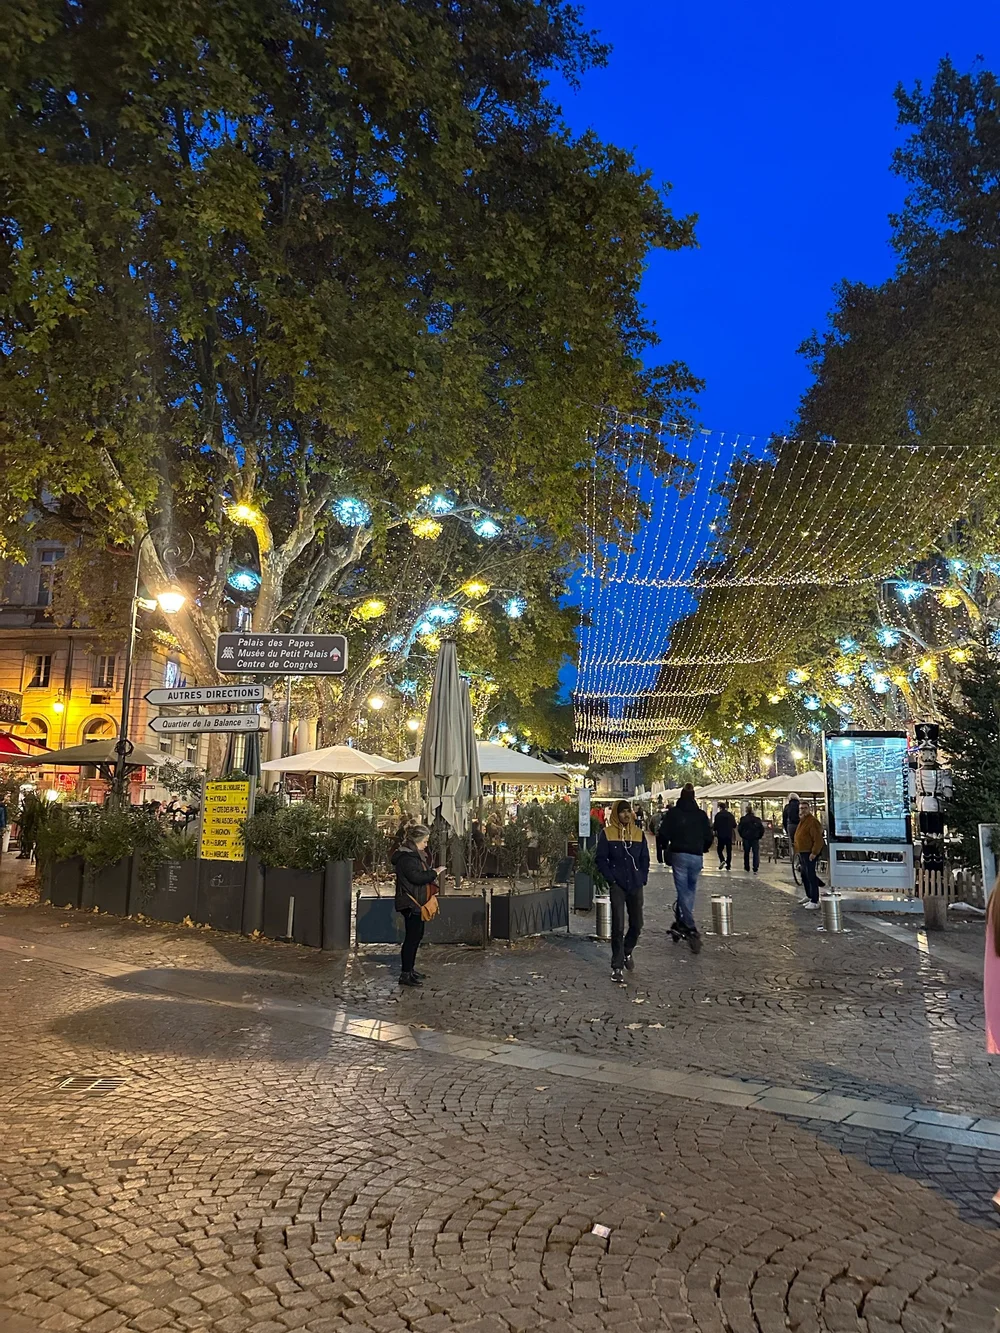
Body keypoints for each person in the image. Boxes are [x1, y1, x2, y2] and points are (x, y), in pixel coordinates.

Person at [595, 800, 649, 985]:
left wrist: (642, 877)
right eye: (623, 812)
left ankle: (627, 950)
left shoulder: (638, 834)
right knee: (617, 925)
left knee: (637, 923)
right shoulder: (607, 834)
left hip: (635, 884)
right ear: (616, 814)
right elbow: (601, 859)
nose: (626, 815)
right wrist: (611, 879)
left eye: (629, 811)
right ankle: (616, 966)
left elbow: (644, 859)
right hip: (618, 885)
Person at [660, 784, 713, 952]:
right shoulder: (701, 815)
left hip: (679, 854)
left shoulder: (674, 813)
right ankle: (682, 921)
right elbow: (709, 836)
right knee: (690, 890)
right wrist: (703, 847)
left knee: (683, 891)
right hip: (696, 856)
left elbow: (663, 833)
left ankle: (690, 925)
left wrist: (663, 849)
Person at [391, 824, 445, 986]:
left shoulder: (412, 855)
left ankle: (410, 970)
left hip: (415, 900)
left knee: (416, 937)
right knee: (412, 938)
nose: (426, 845)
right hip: (411, 902)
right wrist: (435, 872)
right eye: (425, 841)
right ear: (417, 841)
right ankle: (405, 974)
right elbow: (417, 878)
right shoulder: (408, 858)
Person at [793, 799, 824, 908]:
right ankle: (809, 895)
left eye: (805, 808)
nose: (803, 810)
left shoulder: (812, 821)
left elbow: (818, 838)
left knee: (810, 874)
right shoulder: (802, 821)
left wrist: (814, 852)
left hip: (809, 852)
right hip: (802, 851)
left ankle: (815, 900)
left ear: (809, 809)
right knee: (804, 874)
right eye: (801, 808)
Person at [738, 803, 765, 873]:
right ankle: (755, 867)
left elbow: (739, 829)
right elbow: (762, 829)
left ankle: (746, 866)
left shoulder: (743, 819)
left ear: (746, 811)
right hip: (755, 838)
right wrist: (759, 836)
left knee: (746, 853)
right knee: (755, 853)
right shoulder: (757, 819)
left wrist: (742, 835)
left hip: (746, 838)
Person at [713, 802, 737, 870]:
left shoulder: (718, 815)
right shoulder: (730, 815)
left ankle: (722, 860)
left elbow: (715, 826)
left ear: (720, 808)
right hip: (729, 835)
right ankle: (728, 865)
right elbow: (734, 825)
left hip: (721, 835)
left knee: (719, 849)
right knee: (729, 850)